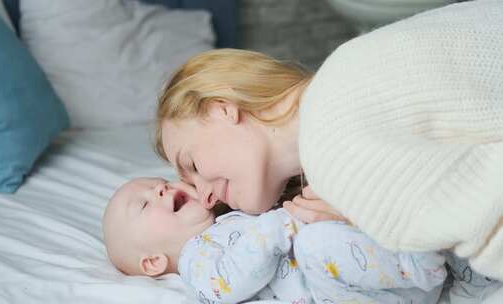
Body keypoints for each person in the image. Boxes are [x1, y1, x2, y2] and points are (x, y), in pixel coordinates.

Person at [154, 0, 503, 288]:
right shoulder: (341, 82)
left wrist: (372, 211)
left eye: (194, 166)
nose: (204, 197)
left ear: (222, 110)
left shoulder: (330, 137)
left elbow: (489, 221)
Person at [102, 177, 447, 303]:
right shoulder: (196, 260)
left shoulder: (227, 219)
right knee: (316, 244)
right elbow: (226, 286)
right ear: (153, 262)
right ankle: (421, 264)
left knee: (332, 233)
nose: (160, 188)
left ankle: (448, 271)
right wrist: (281, 225)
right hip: (334, 293)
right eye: (145, 203)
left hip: (374, 281)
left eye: (158, 181)